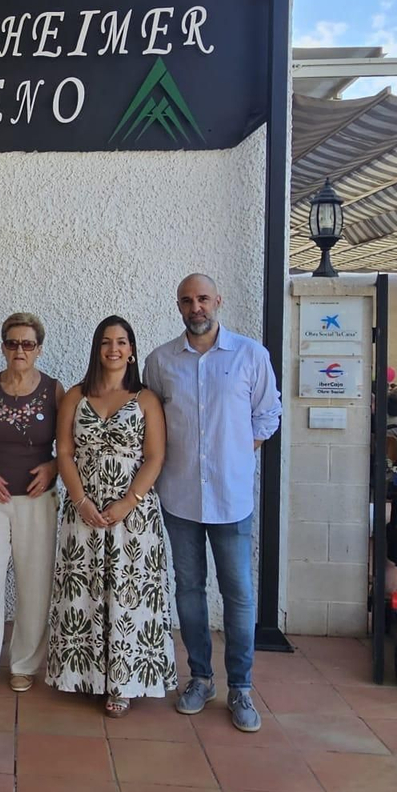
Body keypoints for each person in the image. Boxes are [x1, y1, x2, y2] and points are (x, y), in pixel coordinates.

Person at [145, 274, 281, 733]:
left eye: (203, 298)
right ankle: (200, 678)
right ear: (178, 306)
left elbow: (267, 414)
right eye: (187, 300)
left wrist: (237, 455)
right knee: (188, 589)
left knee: (238, 592)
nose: (196, 307)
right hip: (180, 496)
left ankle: (240, 686)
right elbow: (151, 422)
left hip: (231, 497)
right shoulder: (161, 361)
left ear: (218, 300)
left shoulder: (250, 355)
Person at [47, 315, 177, 718]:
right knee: (84, 591)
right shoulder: (75, 396)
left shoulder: (146, 399)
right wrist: (81, 501)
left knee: (127, 593)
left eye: (121, 342)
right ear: (97, 349)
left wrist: (127, 502)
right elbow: (64, 452)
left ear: (131, 350)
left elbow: (155, 457)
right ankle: (84, 675)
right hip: (82, 512)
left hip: (132, 517)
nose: (114, 349)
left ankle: (123, 684)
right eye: (106, 342)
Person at [0, 313, 63, 702]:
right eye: (13, 343)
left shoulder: (54, 390)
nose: (20, 350)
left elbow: (68, 447)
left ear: (39, 349)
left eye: (28, 344)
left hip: (37, 501)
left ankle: (24, 665)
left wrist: (53, 468)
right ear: (3, 346)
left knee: (35, 583)